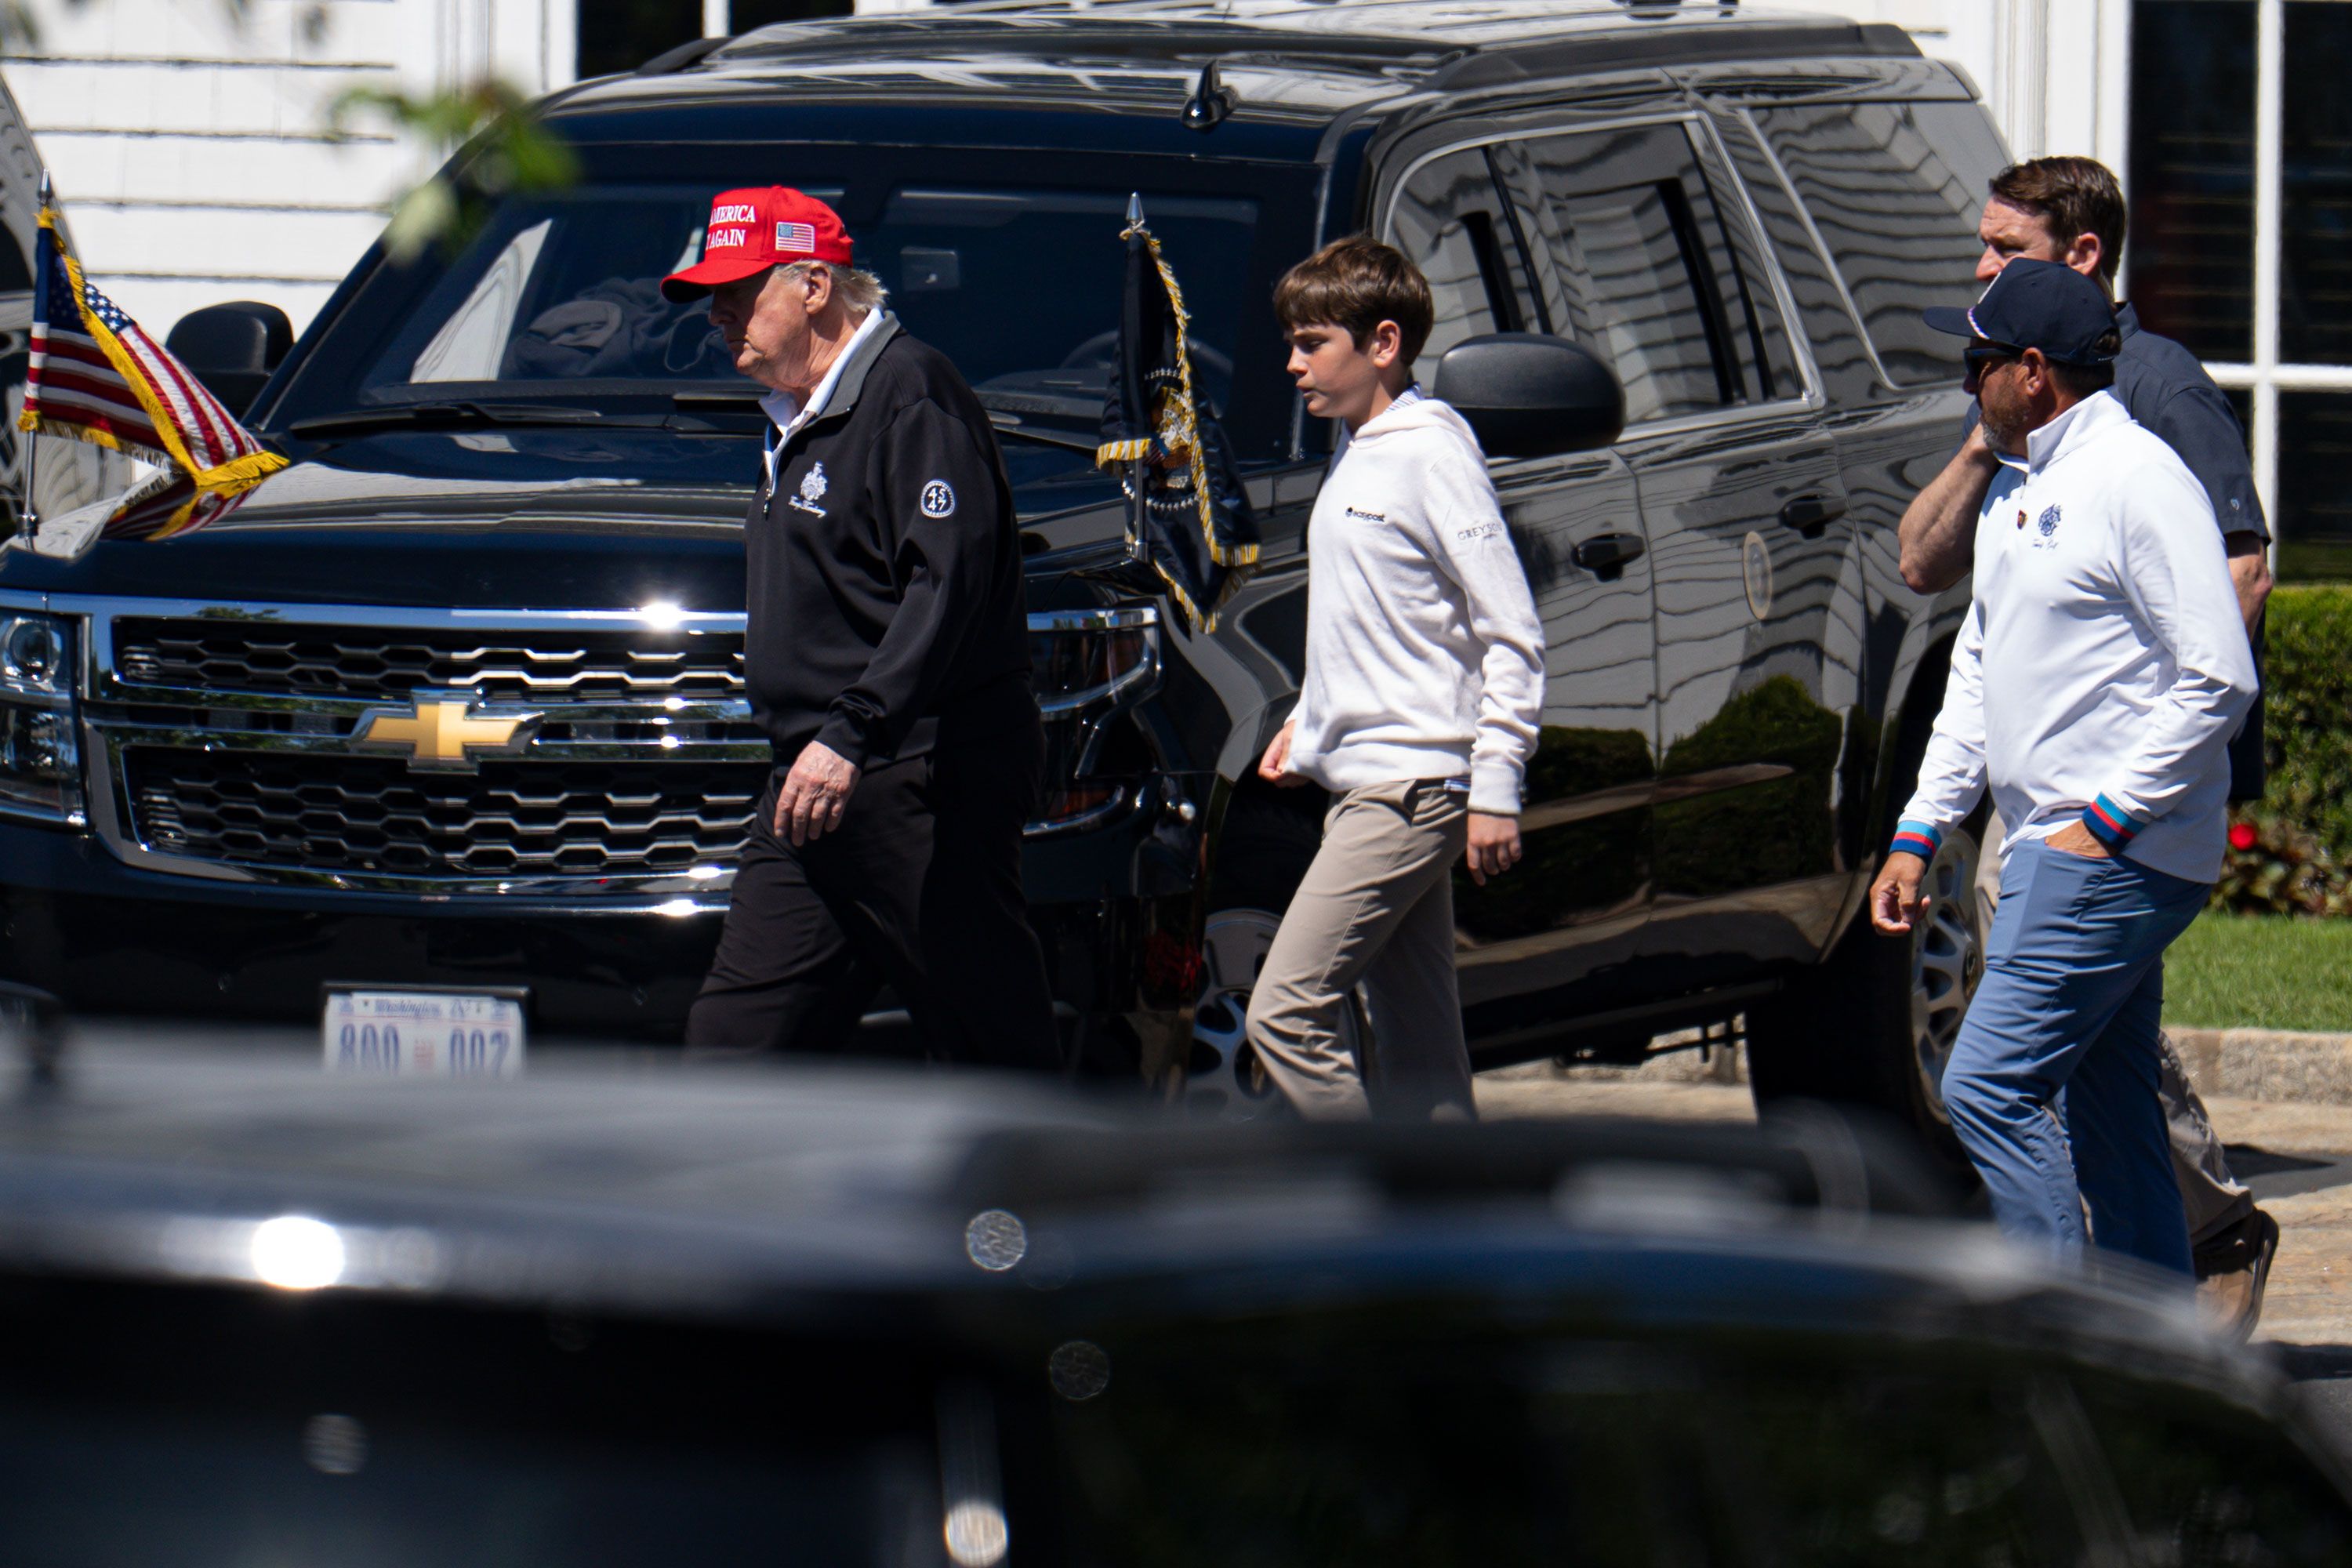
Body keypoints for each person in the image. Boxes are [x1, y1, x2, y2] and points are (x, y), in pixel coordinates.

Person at [1896, 156, 2281, 1329]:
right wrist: (1920, 828)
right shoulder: (2019, 485)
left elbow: (2217, 669)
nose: (1967, 381)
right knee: (2110, 1116)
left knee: (1988, 1087)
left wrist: (2108, 816)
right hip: (2062, 842)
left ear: (2033, 372)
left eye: (1978, 363)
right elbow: (1978, 667)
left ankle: (2055, 1349)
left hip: (2108, 851)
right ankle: (2160, 1364)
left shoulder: (2135, 477)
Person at [667, 186, 1058, 1069]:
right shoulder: (796, 413)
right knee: (731, 1053)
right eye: (713, 295)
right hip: (810, 783)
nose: (719, 314)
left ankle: (1052, 1167)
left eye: (740, 291)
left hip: (915, 771)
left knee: (991, 1050)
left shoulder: (911, 392)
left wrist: (855, 729)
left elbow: (946, 585)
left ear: (813, 286)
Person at [1245, 238, 1544, 1121]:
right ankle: (1450, 1200)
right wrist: (1308, 721)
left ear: (1383, 343)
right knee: (1420, 1046)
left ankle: (1363, 1190)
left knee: (1285, 1011)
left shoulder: (1431, 454)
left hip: (1412, 790)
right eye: (1292, 343)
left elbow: (1511, 629)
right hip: (1377, 781)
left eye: (1312, 343)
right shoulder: (1359, 449)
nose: (1293, 364)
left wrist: (1497, 784)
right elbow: (1375, 621)